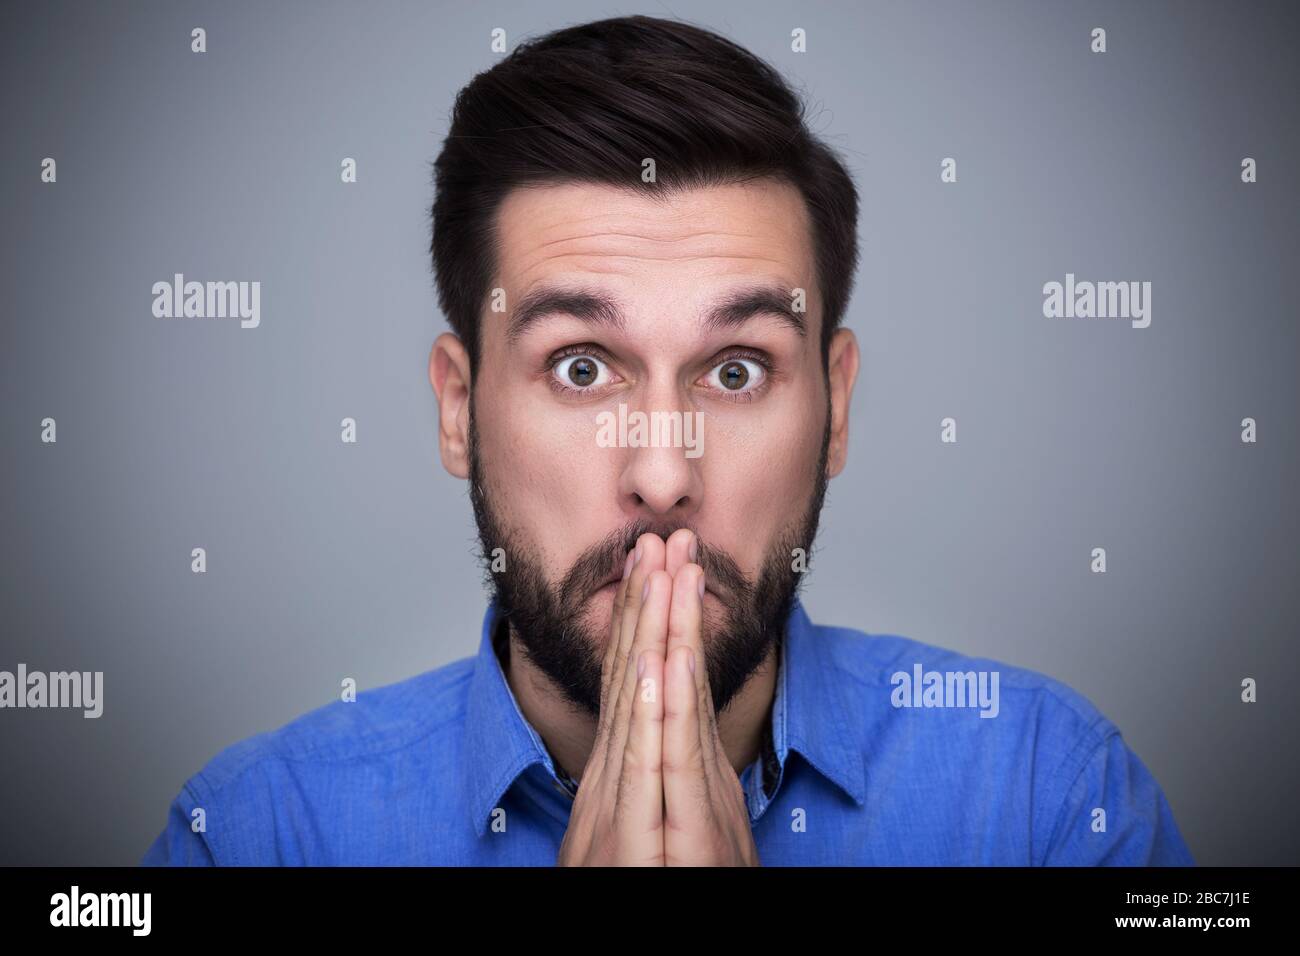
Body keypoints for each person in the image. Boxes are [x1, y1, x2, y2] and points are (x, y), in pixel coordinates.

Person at [143, 14, 1193, 866]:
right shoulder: (258, 836)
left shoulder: (1049, 799)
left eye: (735, 370)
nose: (660, 476)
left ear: (834, 405)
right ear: (458, 409)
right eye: (581, 367)